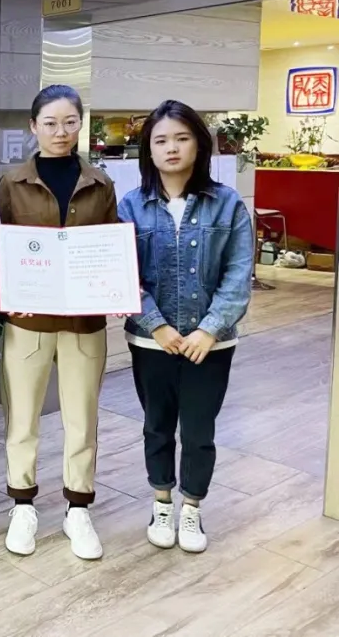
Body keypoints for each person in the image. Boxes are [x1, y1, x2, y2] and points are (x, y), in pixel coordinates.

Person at [117, 100, 253, 554]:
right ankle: (161, 502)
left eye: (181, 138)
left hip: (209, 346)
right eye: (160, 141)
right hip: (150, 342)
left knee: (198, 431)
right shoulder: (131, 205)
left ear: (199, 144)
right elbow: (122, 276)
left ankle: (191, 506)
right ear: (148, 150)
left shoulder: (227, 204)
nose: (171, 148)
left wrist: (209, 330)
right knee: (157, 426)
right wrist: (156, 325)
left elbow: (238, 275)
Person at [0, 84, 118, 561]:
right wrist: (9, 289)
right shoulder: (12, 183)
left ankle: (78, 509)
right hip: (28, 322)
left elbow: (110, 249)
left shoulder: (100, 183)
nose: (61, 132)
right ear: (33, 127)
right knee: (22, 417)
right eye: (50, 123)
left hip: (85, 322)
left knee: (82, 419)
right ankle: (22, 506)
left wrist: (115, 288)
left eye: (70, 122)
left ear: (80, 124)